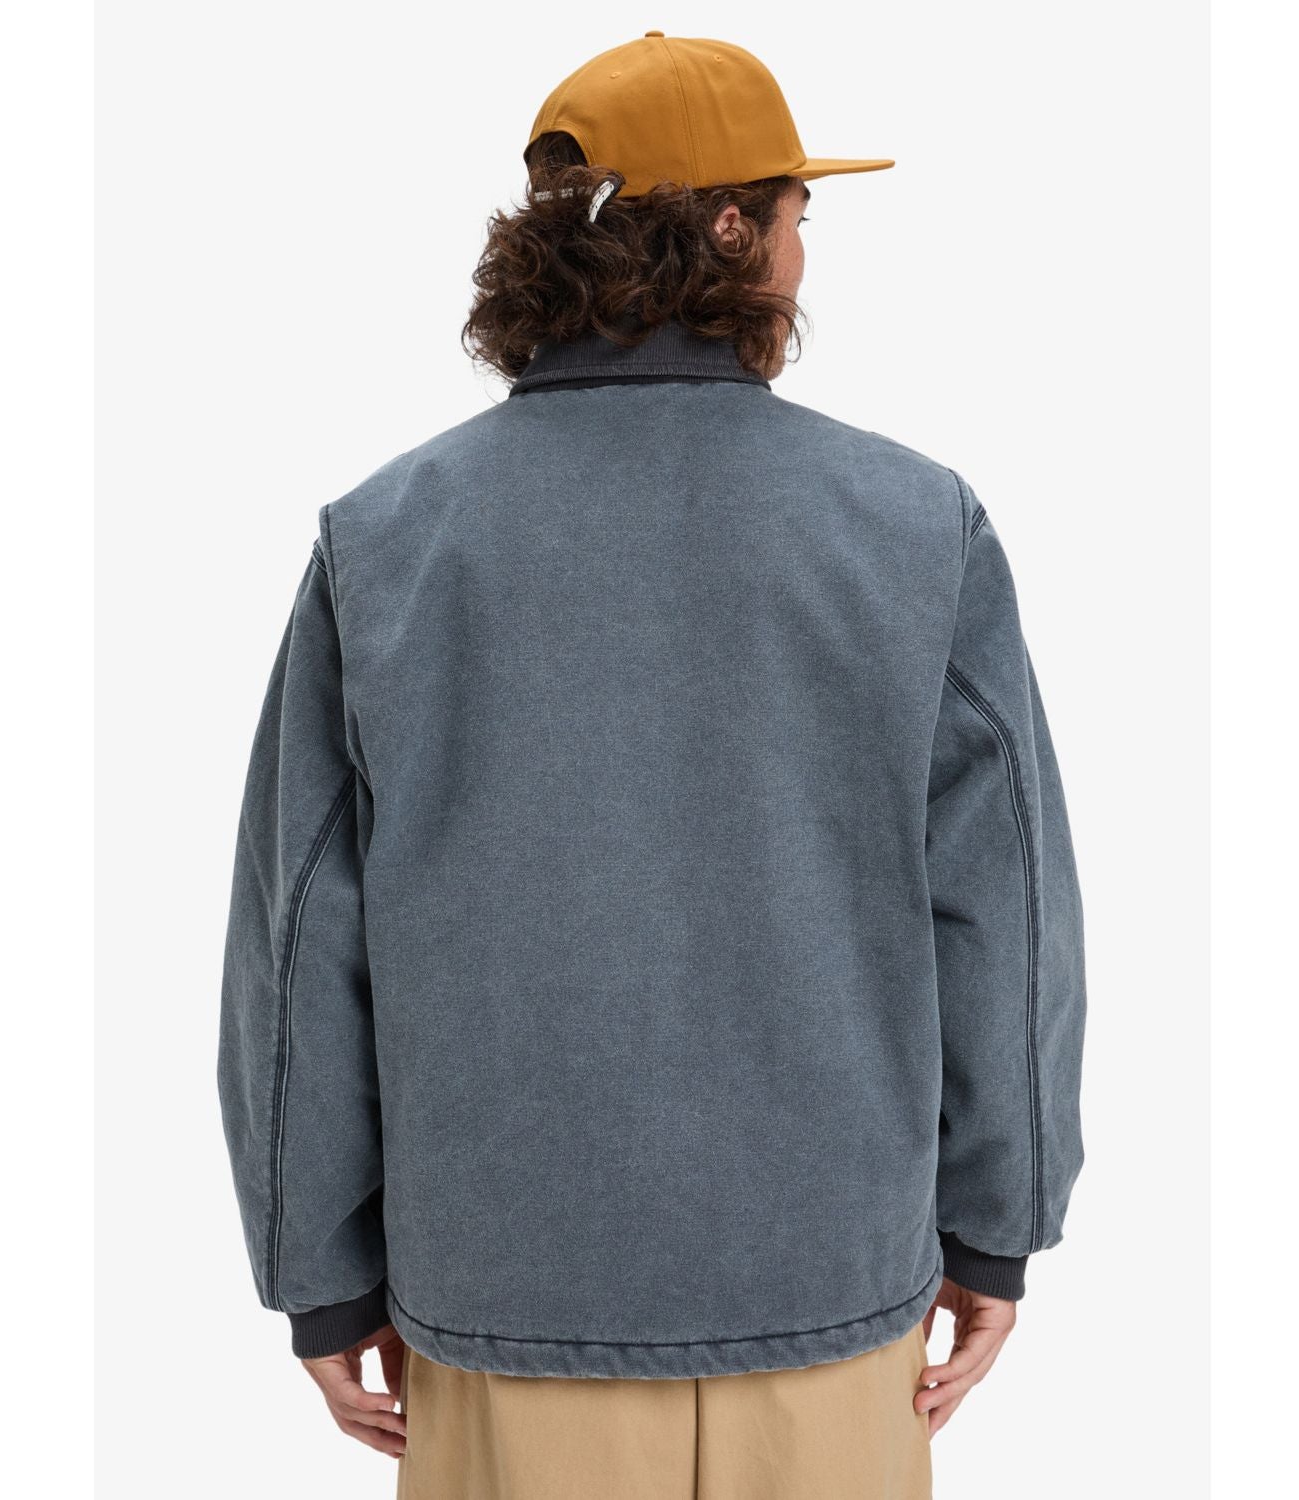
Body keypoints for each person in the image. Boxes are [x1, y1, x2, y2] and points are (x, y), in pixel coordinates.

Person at [217, 30, 1087, 1500]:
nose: (807, 247)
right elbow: (1008, 914)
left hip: (505, 1302)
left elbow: (298, 942)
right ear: (731, 228)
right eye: (799, 210)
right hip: (825, 1294)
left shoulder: (388, 542)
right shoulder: (914, 526)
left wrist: (321, 1274)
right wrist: (999, 1225)